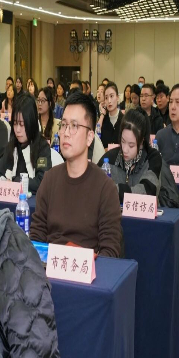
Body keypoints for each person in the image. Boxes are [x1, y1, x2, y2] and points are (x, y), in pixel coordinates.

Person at [29, 92, 123, 257]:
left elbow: (110, 251)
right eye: (64, 125)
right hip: (49, 269)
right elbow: (36, 238)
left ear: (89, 137)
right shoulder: (50, 180)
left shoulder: (105, 188)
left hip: (88, 271)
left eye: (74, 126)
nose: (66, 132)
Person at [0, 94, 53, 195]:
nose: (18, 130)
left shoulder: (42, 147)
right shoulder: (12, 145)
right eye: (15, 124)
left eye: (22, 124)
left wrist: (15, 181)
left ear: (31, 123)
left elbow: (42, 181)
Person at [107, 109, 163, 203]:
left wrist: (113, 191)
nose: (125, 149)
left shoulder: (152, 158)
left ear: (141, 142)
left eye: (131, 145)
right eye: (123, 141)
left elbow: (147, 192)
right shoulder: (110, 159)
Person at [99, 82, 122, 149]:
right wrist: (102, 114)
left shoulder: (124, 120)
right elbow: (96, 135)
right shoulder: (103, 120)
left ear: (117, 97)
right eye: (106, 98)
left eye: (111, 96)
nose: (109, 101)